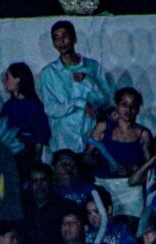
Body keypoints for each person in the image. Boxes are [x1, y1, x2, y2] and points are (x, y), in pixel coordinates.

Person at [39, 20, 113, 156]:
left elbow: (105, 101)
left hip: (91, 138)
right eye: (56, 38)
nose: (61, 42)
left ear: (74, 38)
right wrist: (79, 103)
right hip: (64, 141)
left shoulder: (92, 67)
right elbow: (51, 108)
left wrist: (87, 81)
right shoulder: (49, 73)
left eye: (65, 36)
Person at [0, 62, 51, 167]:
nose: (4, 81)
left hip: (29, 157)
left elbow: (40, 137)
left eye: (7, 77)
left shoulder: (36, 106)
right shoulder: (7, 106)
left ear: (17, 79)